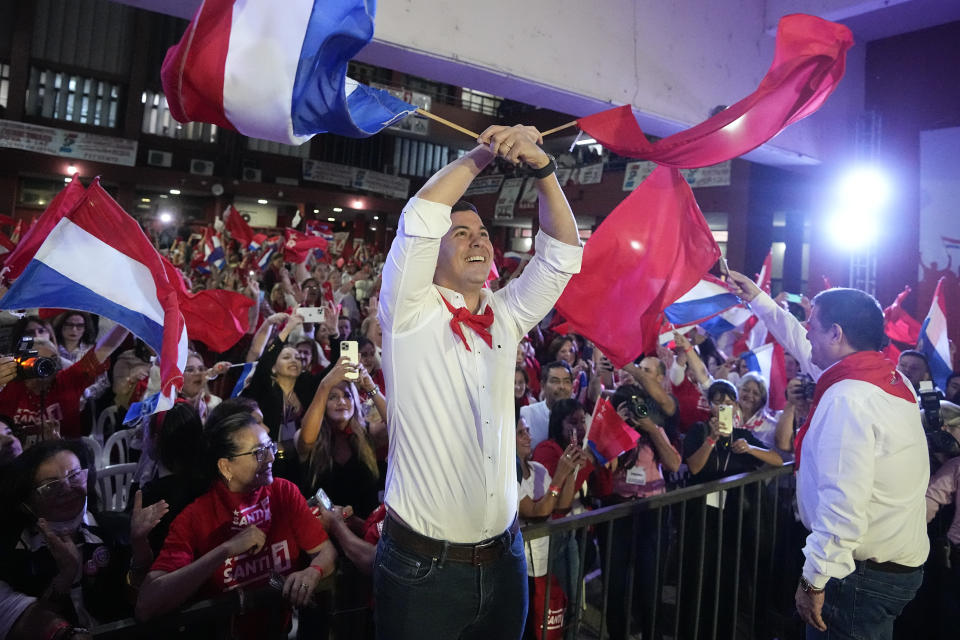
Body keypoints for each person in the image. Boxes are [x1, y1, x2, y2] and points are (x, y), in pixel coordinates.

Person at [374, 124, 582, 640]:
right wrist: (485, 154)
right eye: (460, 233)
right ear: (434, 254)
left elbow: (561, 255)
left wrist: (542, 168)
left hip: (505, 558)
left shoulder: (506, 314)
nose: (478, 241)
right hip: (422, 570)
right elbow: (420, 218)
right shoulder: (407, 312)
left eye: (483, 233)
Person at [727, 271, 929, 639]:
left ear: (836, 334)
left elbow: (843, 502)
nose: (805, 333)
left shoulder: (848, 399)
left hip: (855, 576)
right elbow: (805, 348)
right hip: (883, 569)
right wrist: (759, 298)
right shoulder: (883, 377)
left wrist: (814, 580)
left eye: (813, 325)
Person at [136, 411, 337, 637]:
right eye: (259, 453)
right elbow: (147, 605)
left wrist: (313, 571)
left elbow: (325, 551)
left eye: (269, 447)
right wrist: (225, 550)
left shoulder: (283, 492)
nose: (271, 458)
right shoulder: (196, 516)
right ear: (225, 467)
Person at [0, 440, 167, 627]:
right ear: (27, 502)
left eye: (75, 476)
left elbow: (134, 603)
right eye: (51, 486)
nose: (67, 490)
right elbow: (25, 627)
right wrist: (65, 577)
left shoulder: (114, 529)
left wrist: (139, 548)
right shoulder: (14, 555)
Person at [0, 325, 129, 447]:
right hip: (15, 460)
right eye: (38, 360)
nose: (46, 366)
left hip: (66, 458)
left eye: (53, 360)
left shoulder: (68, 381)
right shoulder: (8, 384)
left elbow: (104, 349)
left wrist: (129, 317)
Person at [296, 358, 383, 518]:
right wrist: (325, 384)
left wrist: (370, 387)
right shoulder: (307, 436)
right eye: (332, 397)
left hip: (366, 533)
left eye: (347, 395)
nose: (341, 401)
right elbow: (306, 440)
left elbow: (397, 425)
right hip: (322, 534)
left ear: (355, 401)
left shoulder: (368, 433)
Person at [520, 361, 573, 450]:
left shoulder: (579, 418)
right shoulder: (526, 414)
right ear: (543, 385)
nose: (562, 386)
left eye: (566, 381)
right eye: (555, 381)